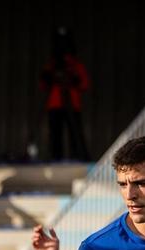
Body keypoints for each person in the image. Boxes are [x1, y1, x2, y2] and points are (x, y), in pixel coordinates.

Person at [39, 27, 90, 162]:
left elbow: (84, 84)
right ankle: (56, 158)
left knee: (75, 133)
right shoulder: (51, 65)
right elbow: (43, 85)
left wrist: (71, 78)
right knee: (55, 134)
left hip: (72, 104)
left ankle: (78, 157)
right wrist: (52, 77)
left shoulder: (75, 65)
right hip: (55, 103)